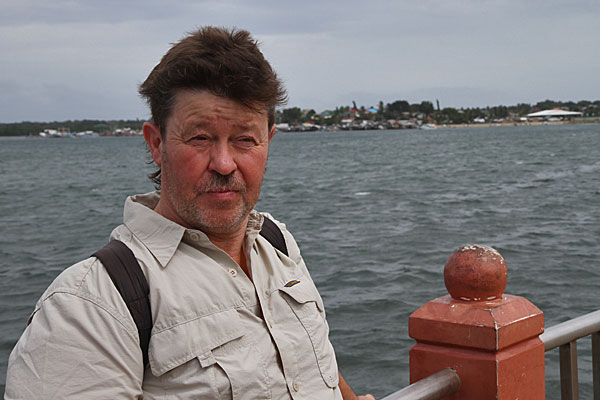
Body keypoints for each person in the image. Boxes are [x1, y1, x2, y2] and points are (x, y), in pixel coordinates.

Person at [6, 26, 374, 400]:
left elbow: (311, 363)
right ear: (156, 143)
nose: (224, 163)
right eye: (200, 138)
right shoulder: (92, 304)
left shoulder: (276, 243)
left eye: (245, 139)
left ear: (268, 142)